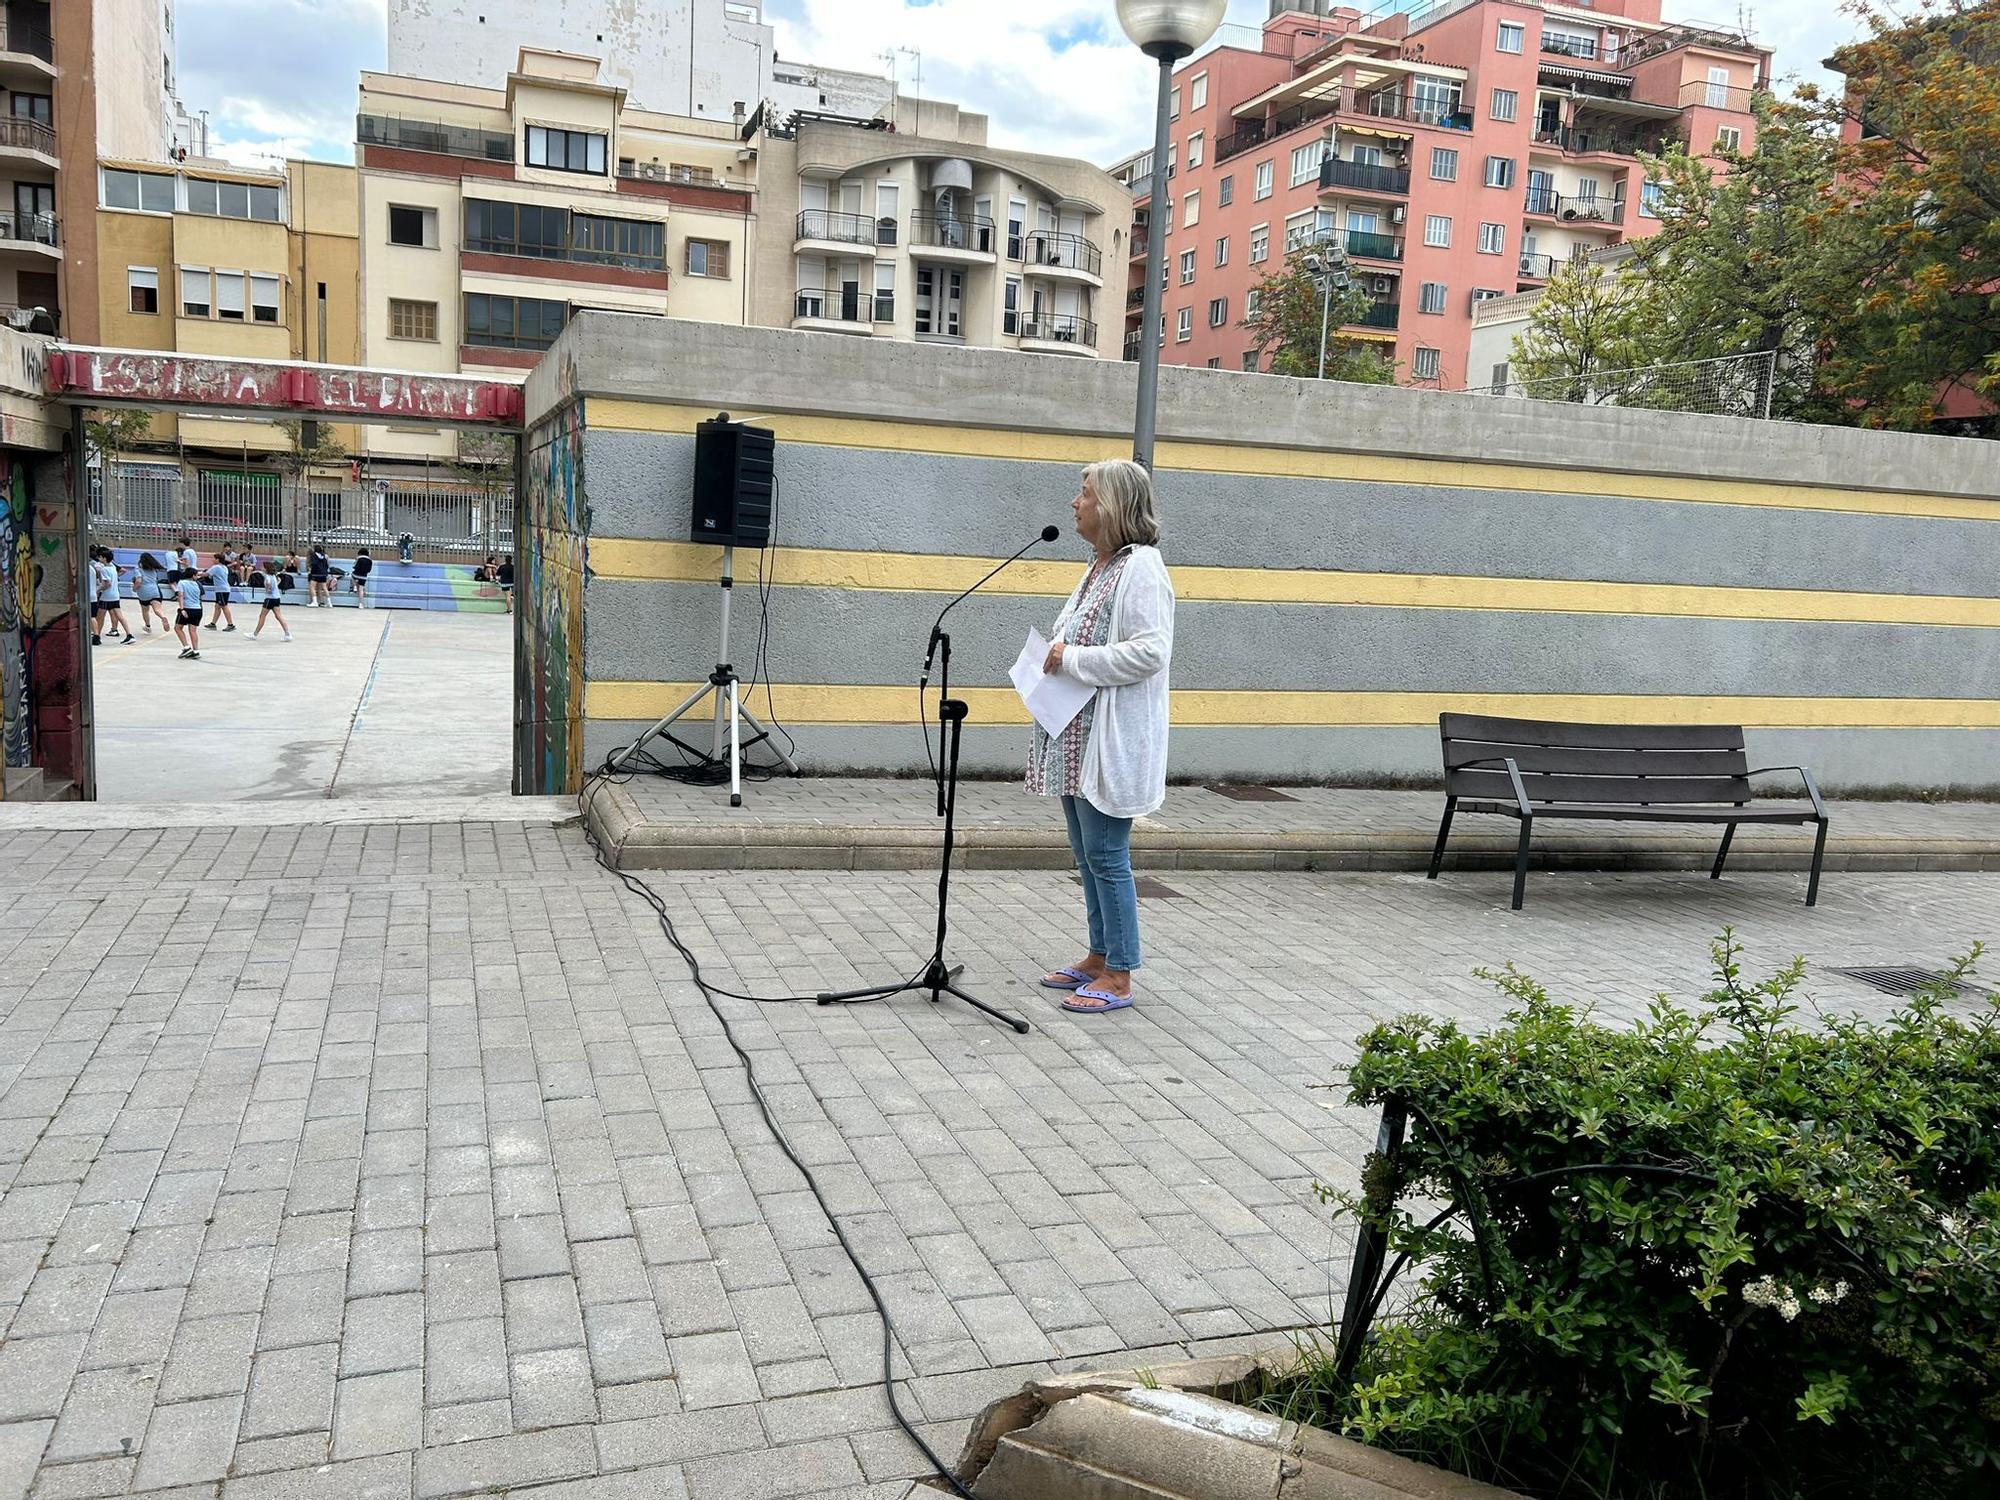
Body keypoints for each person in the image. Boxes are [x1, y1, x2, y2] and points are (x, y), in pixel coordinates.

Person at [1030, 459, 1175, 1015]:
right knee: (1086, 855)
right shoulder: (1101, 564)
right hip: (1075, 738)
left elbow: (1150, 651)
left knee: (1108, 855)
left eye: (1084, 494)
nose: (1075, 503)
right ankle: (1098, 955)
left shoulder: (1142, 567)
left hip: (1109, 742)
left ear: (1111, 506)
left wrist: (1072, 657)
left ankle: (1119, 975)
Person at [90, 548, 136, 645]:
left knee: (99, 617)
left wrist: (98, 590)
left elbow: (107, 583)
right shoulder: (112, 568)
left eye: (100, 557)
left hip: (107, 596)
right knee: (120, 616)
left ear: (104, 558)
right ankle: (129, 635)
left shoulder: (104, 569)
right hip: (115, 595)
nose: (98, 558)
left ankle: (96, 636)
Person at [133, 552, 173, 634]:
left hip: (144, 591)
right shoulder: (153, 569)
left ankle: (148, 626)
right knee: (157, 609)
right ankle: (163, 617)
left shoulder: (138, 569)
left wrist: (134, 588)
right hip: (155, 590)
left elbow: (138, 581)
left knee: (145, 610)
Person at [251, 567, 292, 641]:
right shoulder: (274, 576)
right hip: (277, 598)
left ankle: (255, 634)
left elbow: (269, 588)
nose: (262, 569)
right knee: (278, 616)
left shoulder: (268, 578)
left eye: (263, 568)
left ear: (266, 570)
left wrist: (268, 589)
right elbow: (279, 580)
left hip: (270, 599)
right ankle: (287, 634)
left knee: (262, 616)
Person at [173, 566, 204, 659]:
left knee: (177, 628)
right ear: (193, 576)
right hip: (198, 609)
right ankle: (196, 650)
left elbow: (180, 596)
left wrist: (182, 609)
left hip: (187, 608)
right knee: (193, 630)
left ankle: (186, 647)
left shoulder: (182, 583)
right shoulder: (197, 584)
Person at [205, 555, 237, 632]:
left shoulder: (216, 567)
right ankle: (213, 624)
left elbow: (206, 574)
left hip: (221, 590)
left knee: (224, 606)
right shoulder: (224, 567)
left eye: (214, 558)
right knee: (217, 606)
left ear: (218, 559)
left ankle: (230, 624)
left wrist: (195, 574)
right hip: (224, 589)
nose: (213, 560)